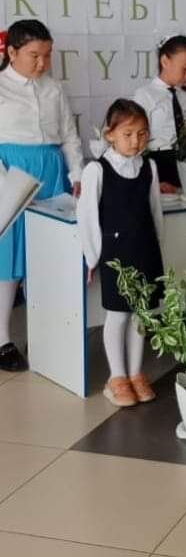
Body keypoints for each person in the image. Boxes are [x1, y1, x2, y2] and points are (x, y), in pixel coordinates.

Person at [0, 20, 84, 372]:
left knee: (47, 253)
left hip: (51, 174)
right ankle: (2, 338)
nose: (42, 63)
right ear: (12, 52)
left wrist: (77, 175)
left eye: (47, 55)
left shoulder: (54, 89)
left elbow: (69, 136)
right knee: (9, 257)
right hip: (10, 175)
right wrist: (7, 185)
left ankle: (42, 332)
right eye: (34, 55)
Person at [77, 100, 163, 407]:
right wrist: (92, 257)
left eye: (142, 133)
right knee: (118, 314)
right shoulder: (97, 170)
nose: (136, 141)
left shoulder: (149, 167)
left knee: (141, 313)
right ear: (110, 134)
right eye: (128, 134)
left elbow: (155, 211)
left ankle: (136, 373)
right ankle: (117, 377)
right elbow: (87, 216)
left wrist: (156, 247)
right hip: (116, 253)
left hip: (145, 249)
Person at [134, 36, 186, 193]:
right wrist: (148, 177)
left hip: (184, 163)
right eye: (185, 69)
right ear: (165, 61)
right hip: (156, 163)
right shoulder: (145, 95)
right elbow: (137, 140)